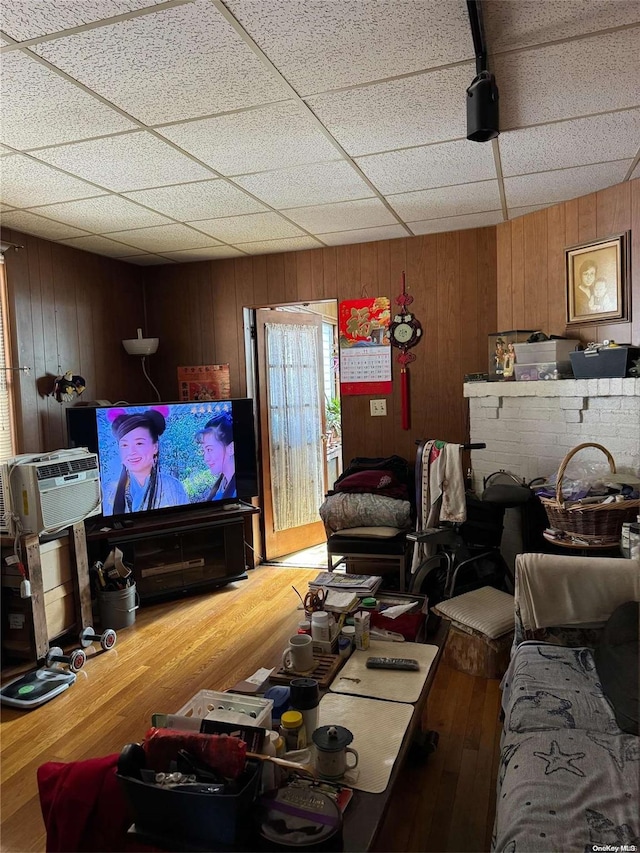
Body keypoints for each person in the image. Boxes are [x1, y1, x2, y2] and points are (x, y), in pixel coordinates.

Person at [104, 408, 189, 514]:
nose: (131, 452)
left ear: (155, 447)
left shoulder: (172, 487)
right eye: (125, 445)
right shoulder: (109, 490)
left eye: (139, 443)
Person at [196, 412, 237, 501]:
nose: (206, 458)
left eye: (210, 449)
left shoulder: (240, 489)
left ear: (231, 448)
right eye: (203, 451)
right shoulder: (221, 485)